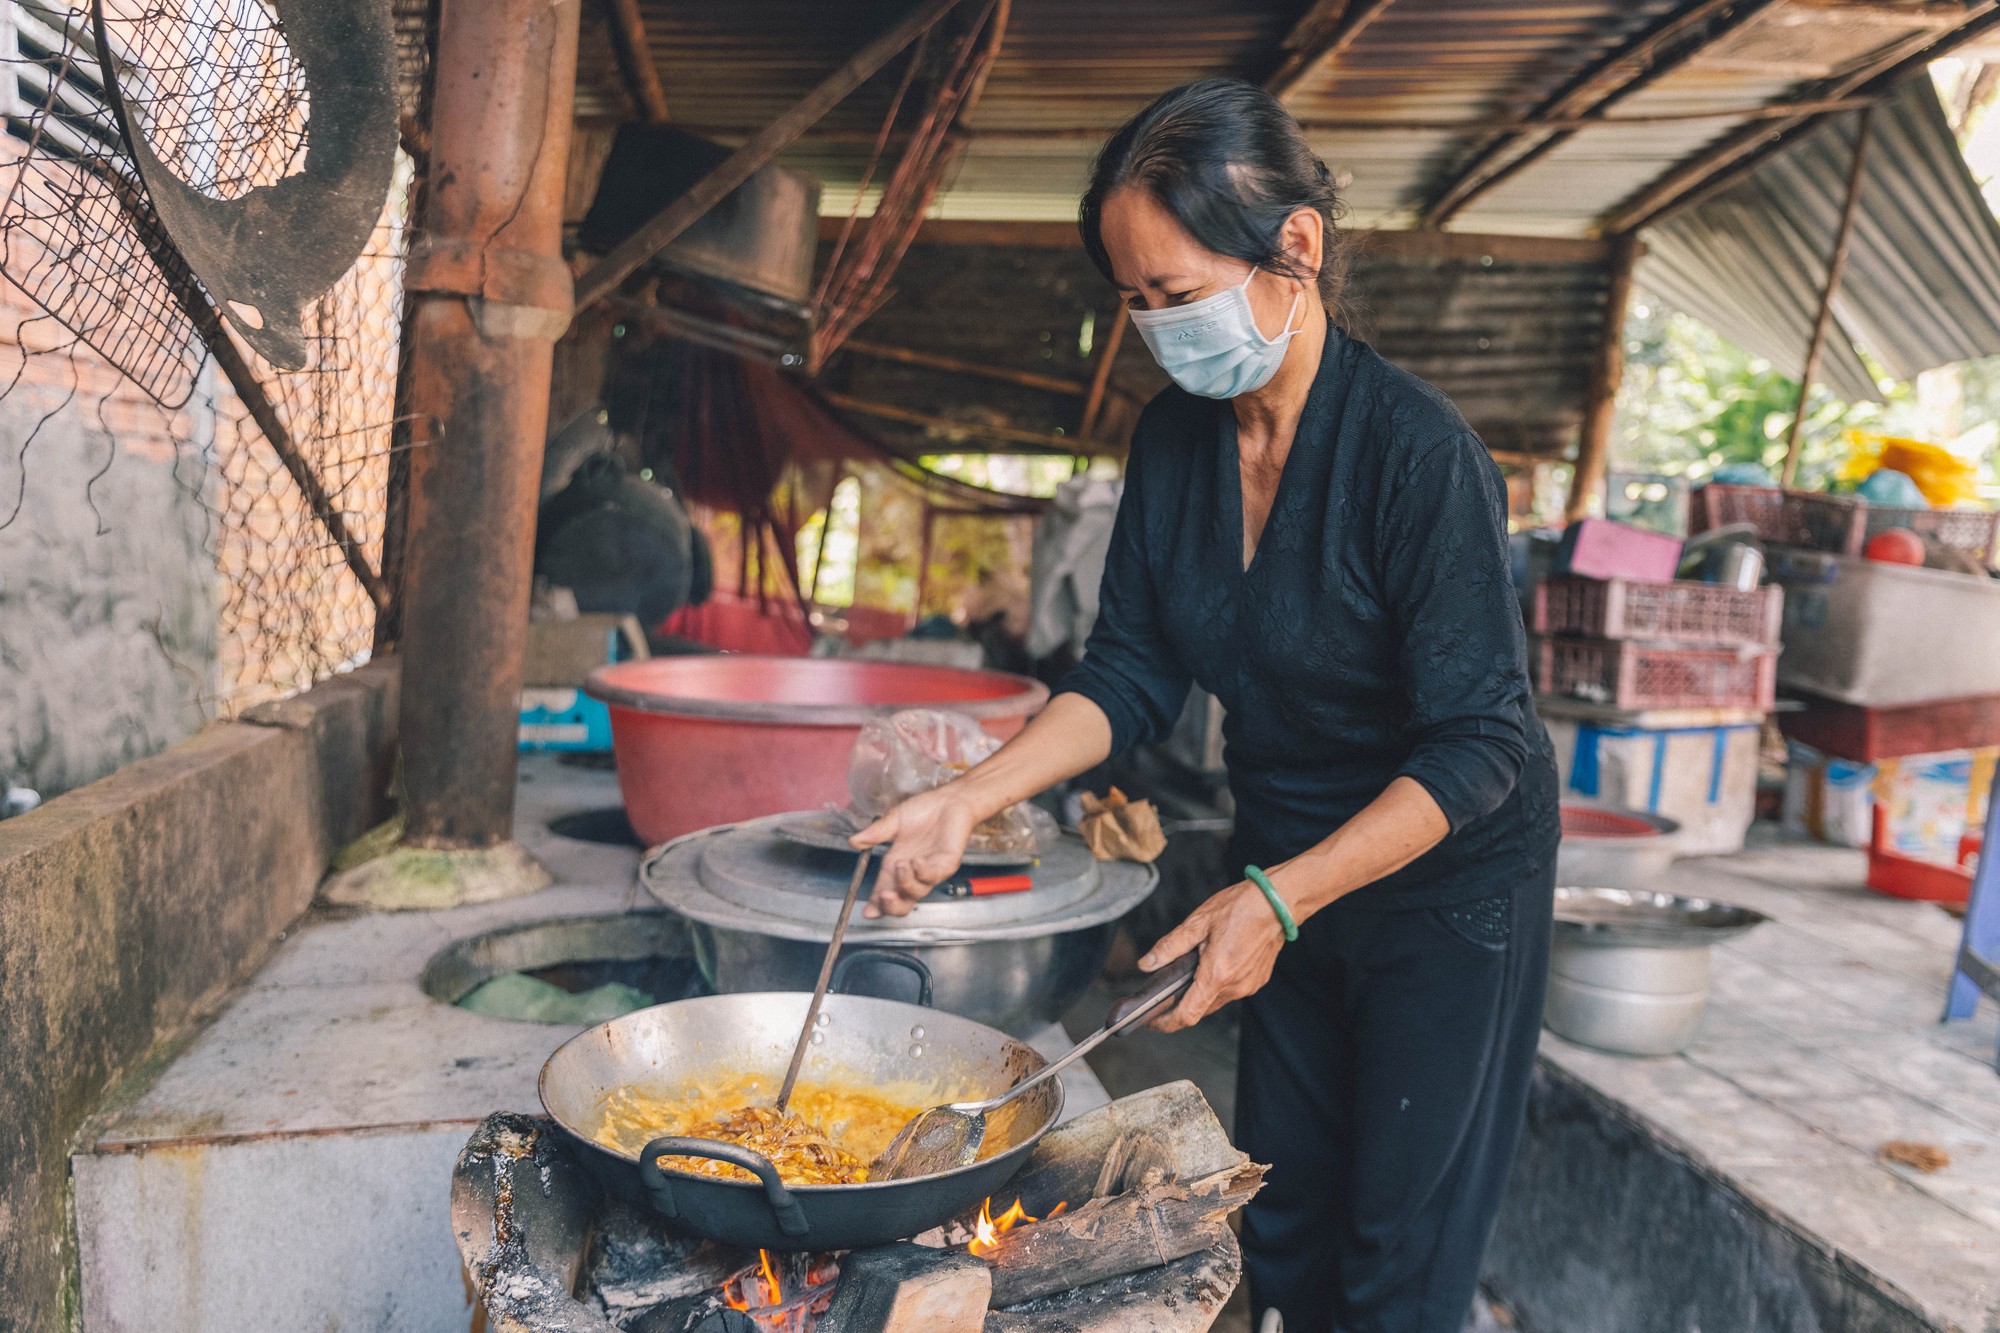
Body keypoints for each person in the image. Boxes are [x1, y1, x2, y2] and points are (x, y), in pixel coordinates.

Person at [853, 77, 1560, 1333]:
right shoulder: (1173, 442)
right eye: (1132, 302)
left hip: (1444, 884)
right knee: (1276, 1214)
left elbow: (1480, 743)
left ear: (1294, 246)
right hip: (1279, 850)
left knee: (1394, 1251)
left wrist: (1281, 899)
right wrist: (966, 798)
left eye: (1175, 294)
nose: (1155, 327)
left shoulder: (1414, 453)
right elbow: (1124, 672)